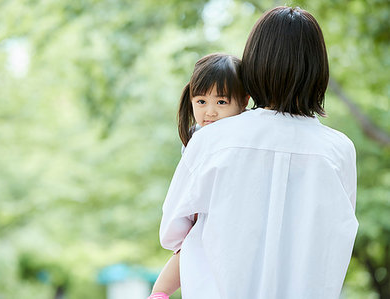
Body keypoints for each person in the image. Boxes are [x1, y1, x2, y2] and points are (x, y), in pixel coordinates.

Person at [157, 6, 357, 299]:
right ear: (318, 70)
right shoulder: (339, 151)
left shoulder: (212, 140)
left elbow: (172, 233)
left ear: (254, 64)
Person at [148, 53, 250, 299]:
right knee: (174, 271)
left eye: (222, 102)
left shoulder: (246, 136)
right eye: (201, 101)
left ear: (244, 101)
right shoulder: (197, 137)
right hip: (199, 223)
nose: (210, 112)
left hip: (225, 225)